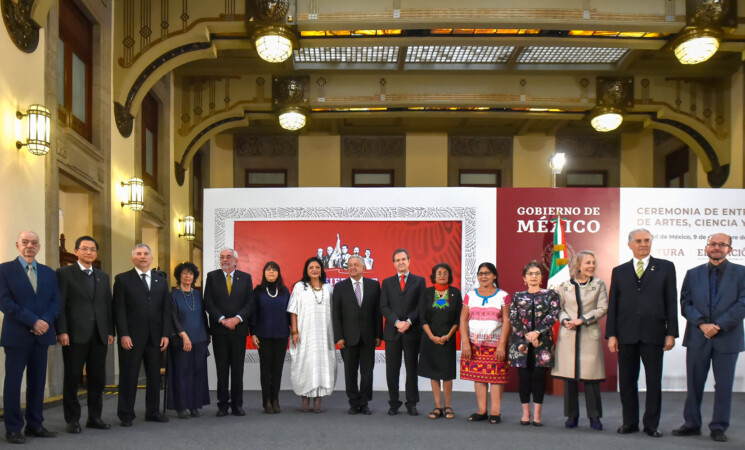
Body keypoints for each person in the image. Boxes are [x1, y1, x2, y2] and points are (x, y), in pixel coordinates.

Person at [672, 233, 745, 443]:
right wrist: (703, 324)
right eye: (713, 244)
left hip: (727, 337)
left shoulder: (741, 273)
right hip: (698, 336)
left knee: (723, 385)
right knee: (694, 384)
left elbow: (742, 303)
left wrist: (719, 325)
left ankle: (719, 426)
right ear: (706, 248)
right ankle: (692, 424)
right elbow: (685, 302)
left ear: (730, 249)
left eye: (722, 245)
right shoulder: (693, 273)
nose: (716, 247)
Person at [606, 228, 678, 438]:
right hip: (625, 334)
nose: (643, 244)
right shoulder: (619, 271)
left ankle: (651, 424)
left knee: (654, 382)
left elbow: (671, 302)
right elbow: (613, 306)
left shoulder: (666, 267)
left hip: (654, 334)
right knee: (628, 381)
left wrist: (671, 332)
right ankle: (629, 422)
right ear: (630, 245)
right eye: (638, 241)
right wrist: (612, 334)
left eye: (647, 240)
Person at [0, 231, 61, 444]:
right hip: (17, 336)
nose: (29, 246)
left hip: (42, 336)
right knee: (13, 383)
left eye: (34, 243)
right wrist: (32, 321)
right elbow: (5, 303)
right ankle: (14, 428)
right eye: (25, 242)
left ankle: (35, 424)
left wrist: (43, 321)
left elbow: (55, 301)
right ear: (17, 245)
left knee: (37, 382)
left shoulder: (48, 273)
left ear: (39, 247)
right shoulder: (4, 270)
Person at [56, 236, 113, 434]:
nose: (89, 252)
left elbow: (108, 306)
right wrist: (61, 330)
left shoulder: (103, 277)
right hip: (73, 335)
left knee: (98, 379)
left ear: (96, 253)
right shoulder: (64, 273)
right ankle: (72, 420)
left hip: (99, 335)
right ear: (76, 251)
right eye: (85, 248)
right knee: (72, 378)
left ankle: (94, 417)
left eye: (92, 249)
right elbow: (60, 305)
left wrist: (110, 331)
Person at [113, 243, 171, 426]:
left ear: (151, 258)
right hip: (131, 337)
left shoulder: (160, 281)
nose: (143, 257)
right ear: (133, 258)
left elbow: (166, 310)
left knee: (154, 377)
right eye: (139, 254)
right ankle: (126, 414)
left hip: (155, 338)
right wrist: (123, 334)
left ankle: (153, 412)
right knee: (129, 377)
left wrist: (165, 334)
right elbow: (119, 310)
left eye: (146, 254)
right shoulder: (122, 279)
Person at [552, 250, 608, 431]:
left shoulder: (599, 285)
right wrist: (565, 320)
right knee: (569, 379)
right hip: (568, 336)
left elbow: (602, 308)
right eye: (588, 263)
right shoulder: (565, 286)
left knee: (591, 379)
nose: (591, 266)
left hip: (588, 335)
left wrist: (583, 319)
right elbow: (558, 309)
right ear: (578, 266)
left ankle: (594, 417)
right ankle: (571, 416)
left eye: (593, 262)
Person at [203, 248, 254, 417]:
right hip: (220, 331)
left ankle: (237, 405)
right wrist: (223, 319)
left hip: (238, 331)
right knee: (222, 370)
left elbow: (250, 303)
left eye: (229, 257)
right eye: (222, 257)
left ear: (236, 261)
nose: (225, 260)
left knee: (238, 371)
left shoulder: (245, 278)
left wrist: (237, 319)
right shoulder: (212, 277)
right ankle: (223, 405)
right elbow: (208, 302)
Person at [509, 261, 560, 426]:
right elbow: (513, 318)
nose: (533, 276)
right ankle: (525, 414)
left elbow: (553, 314)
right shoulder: (517, 296)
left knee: (539, 378)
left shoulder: (551, 295)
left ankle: (537, 415)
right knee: (523, 378)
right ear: (524, 278)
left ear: (541, 277)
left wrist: (537, 333)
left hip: (542, 343)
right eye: (530, 273)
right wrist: (527, 335)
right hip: (520, 343)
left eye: (537, 273)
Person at [459, 262, 509, 424]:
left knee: (495, 378)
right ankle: (482, 410)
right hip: (474, 344)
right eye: (480, 273)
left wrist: (502, 344)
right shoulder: (470, 295)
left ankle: (495, 412)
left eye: (487, 273)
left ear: (494, 276)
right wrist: (465, 342)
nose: (483, 276)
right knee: (479, 377)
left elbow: (507, 321)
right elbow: (463, 319)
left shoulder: (503, 295)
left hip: (495, 345)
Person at [332, 255, 382, 415]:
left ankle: (364, 403)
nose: (352, 267)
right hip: (347, 338)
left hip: (368, 337)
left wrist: (378, 334)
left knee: (367, 373)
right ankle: (353, 403)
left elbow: (377, 313)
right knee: (350, 373)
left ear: (363, 267)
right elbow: (336, 315)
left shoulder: (374, 286)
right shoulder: (340, 287)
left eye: (356, 265)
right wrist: (338, 337)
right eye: (350, 265)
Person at [380, 248, 426, 416]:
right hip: (393, 332)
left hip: (412, 331)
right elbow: (384, 306)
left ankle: (411, 403)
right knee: (392, 369)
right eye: (397, 260)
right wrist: (397, 322)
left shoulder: (419, 281)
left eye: (403, 259)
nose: (401, 262)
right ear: (394, 263)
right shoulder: (387, 282)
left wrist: (408, 322)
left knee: (411, 369)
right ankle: (393, 403)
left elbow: (421, 306)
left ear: (409, 261)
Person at [287, 257, 337, 413]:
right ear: (306, 271)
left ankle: (318, 399)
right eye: (311, 268)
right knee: (305, 363)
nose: (314, 270)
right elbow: (293, 311)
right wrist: (294, 331)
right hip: (304, 333)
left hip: (324, 333)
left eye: (317, 267)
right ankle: (305, 397)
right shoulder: (299, 287)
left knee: (323, 365)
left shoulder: (329, 288)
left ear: (322, 269)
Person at [167, 262, 210, 419]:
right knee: (182, 374)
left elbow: (202, 317)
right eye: (184, 273)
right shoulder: (173, 295)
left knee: (197, 373)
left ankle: (194, 405)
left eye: (190, 274)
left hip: (199, 339)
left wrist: (206, 337)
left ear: (194, 277)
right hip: (181, 340)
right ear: (179, 276)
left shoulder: (197, 294)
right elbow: (173, 318)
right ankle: (181, 406)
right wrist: (184, 335)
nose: (187, 276)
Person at [419, 263, 462, 420]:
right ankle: (437, 406)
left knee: (447, 374)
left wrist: (447, 336)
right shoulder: (427, 293)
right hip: (430, 339)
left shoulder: (455, 293)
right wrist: (431, 336)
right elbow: (422, 317)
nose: (442, 275)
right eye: (439, 273)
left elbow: (458, 318)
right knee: (434, 374)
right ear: (434, 275)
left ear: (449, 276)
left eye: (445, 273)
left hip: (447, 340)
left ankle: (448, 405)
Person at [250, 261, 291, 414]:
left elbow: (290, 313)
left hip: (281, 335)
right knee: (265, 369)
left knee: (277, 370)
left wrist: (293, 331)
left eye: (274, 270)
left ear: (278, 273)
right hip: (263, 335)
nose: (271, 272)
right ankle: (266, 400)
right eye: (268, 270)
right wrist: (253, 332)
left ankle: (275, 400)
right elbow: (253, 313)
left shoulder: (285, 291)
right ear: (264, 273)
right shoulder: (258, 291)